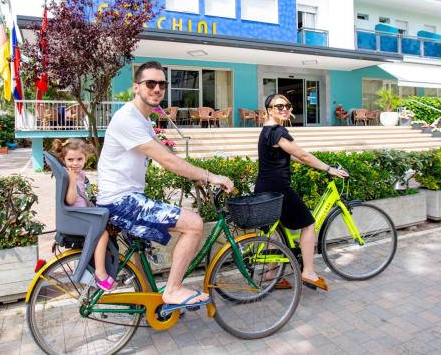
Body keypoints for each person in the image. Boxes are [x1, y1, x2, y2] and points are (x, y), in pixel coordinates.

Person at [97, 61, 234, 313]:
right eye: (150, 83)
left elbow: (164, 157)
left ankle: (150, 307)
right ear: (136, 87)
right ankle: (172, 290)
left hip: (124, 197)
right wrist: (210, 176)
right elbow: (168, 160)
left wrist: (194, 177)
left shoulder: (142, 120)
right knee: (193, 223)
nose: (157, 88)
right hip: (122, 200)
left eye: (162, 84)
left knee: (139, 253)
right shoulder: (128, 118)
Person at [255, 94, 348, 290]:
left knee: (277, 232)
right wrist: (328, 169)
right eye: (278, 106)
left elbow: (289, 154)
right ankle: (308, 272)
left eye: (287, 105)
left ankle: (272, 274)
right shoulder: (278, 131)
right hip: (279, 189)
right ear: (269, 110)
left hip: (265, 187)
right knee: (308, 224)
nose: (284, 109)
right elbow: (302, 154)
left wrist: (313, 165)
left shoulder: (267, 130)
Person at [52, 138, 114, 291]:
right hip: (76, 217)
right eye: (70, 159)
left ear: (86, 158)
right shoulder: (69, 176)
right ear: (63, 159)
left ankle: (100, 267)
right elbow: (71, 200)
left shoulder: (80, 173)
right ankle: (101, 274)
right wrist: (72, 181)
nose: (75, 163)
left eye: (79, 159)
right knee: (103, 234)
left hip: (82, 214)